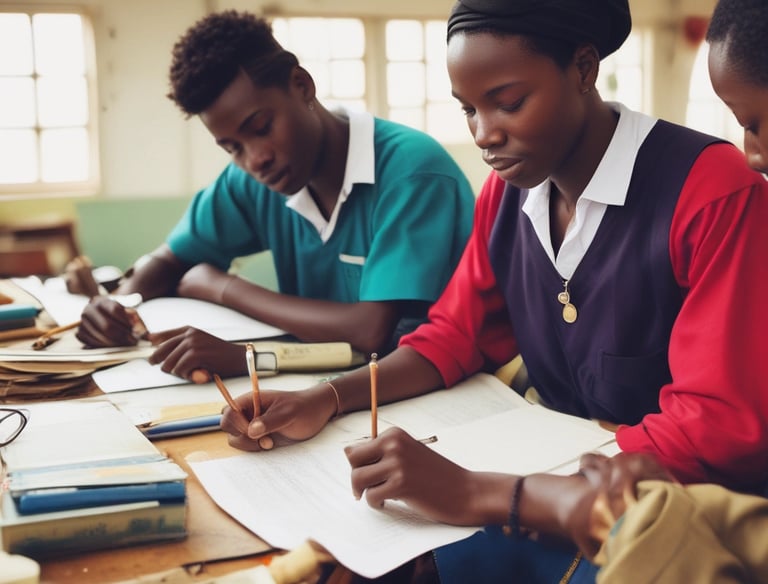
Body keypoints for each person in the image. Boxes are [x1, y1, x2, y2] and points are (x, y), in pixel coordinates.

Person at [221, 0, 768, 581]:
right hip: (552, 493)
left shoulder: (713, 191)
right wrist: (326, 399)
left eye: (508, 103)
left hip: (669, 517)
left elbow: (720, 424)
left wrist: (489, 490)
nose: (485, 133)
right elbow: (454, 335)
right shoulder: (507, 197)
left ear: (584, 69)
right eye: (468, 110)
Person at [75, 11, 476, 381]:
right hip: (320, 388)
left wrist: (222, 288)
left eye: (262, 127)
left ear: (301, 86)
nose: (255, 159)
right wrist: (120, 306)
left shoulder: (413, 173)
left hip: (428, 392)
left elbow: (371, 331)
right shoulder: (252, 181)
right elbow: (170, 258)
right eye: (232, 147)